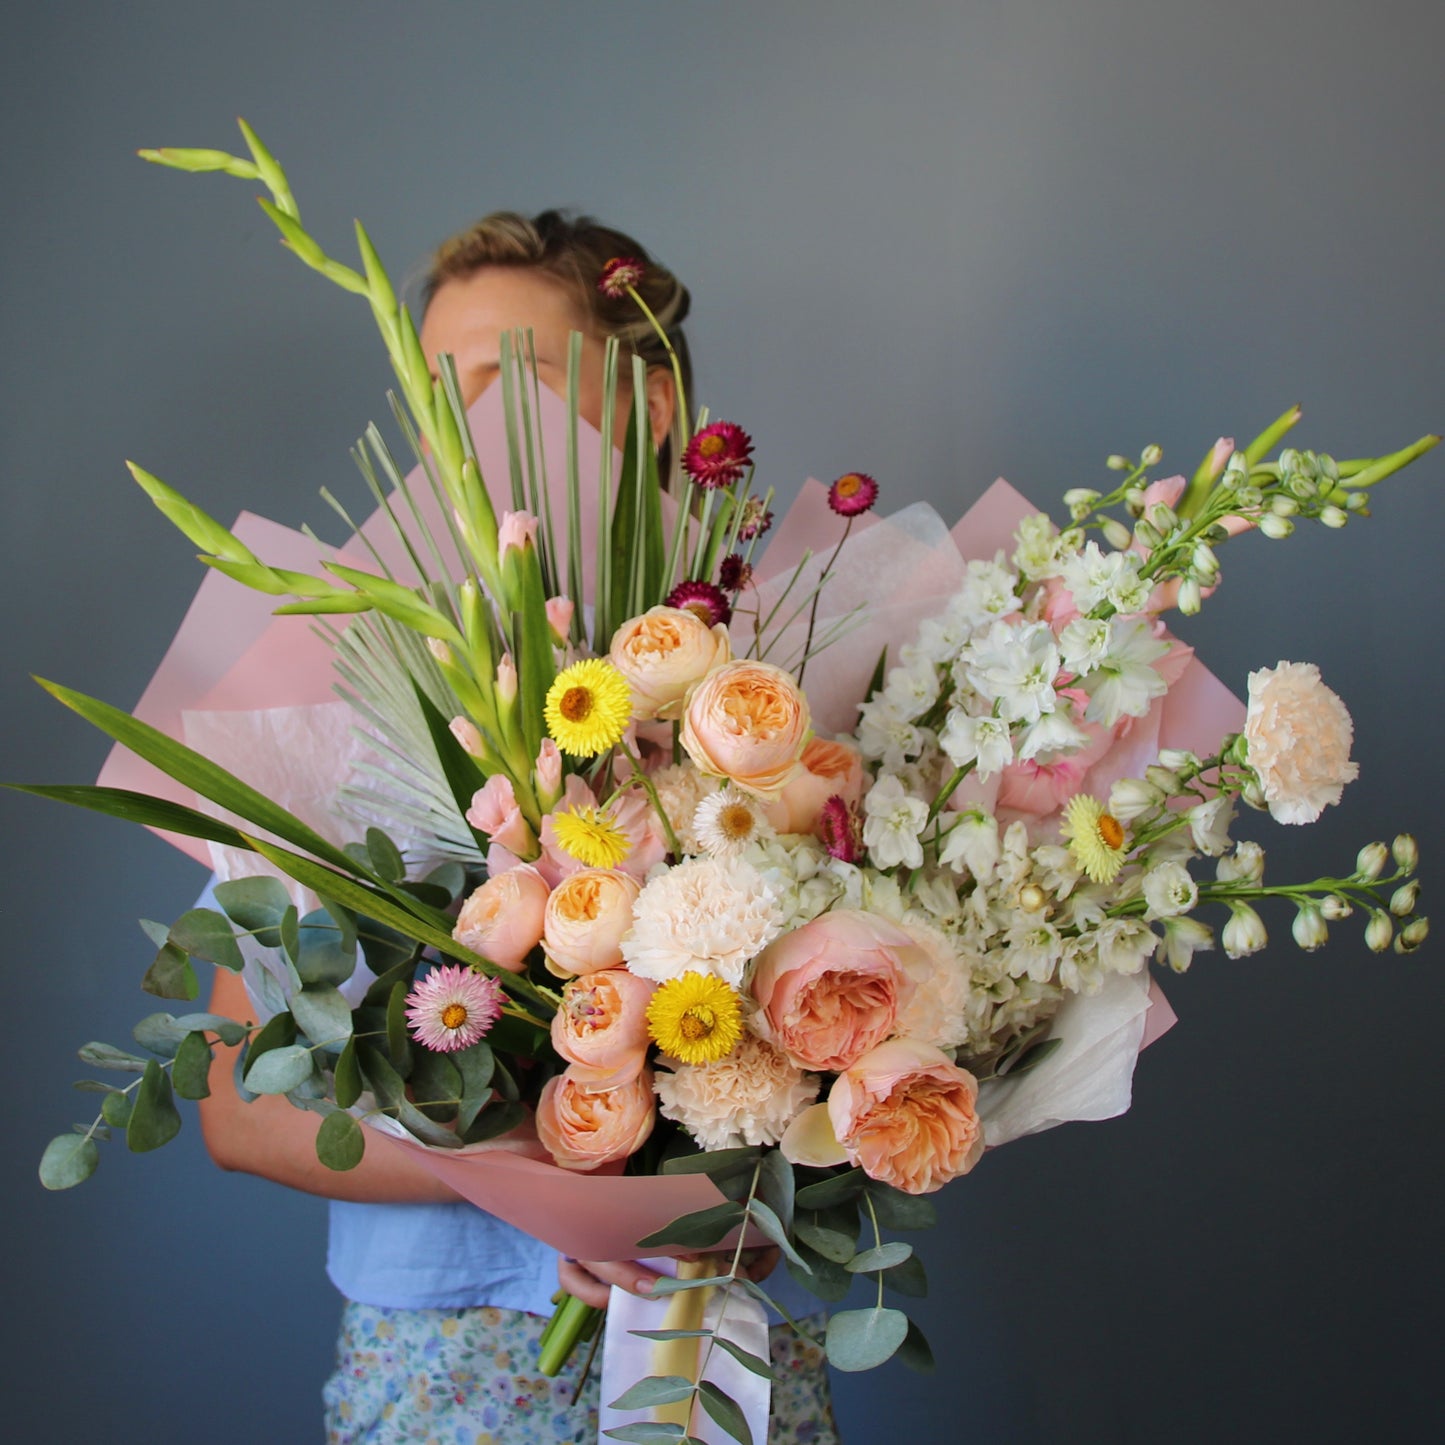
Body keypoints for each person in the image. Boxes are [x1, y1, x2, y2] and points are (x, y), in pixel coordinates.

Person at [197, 209, 839, 1445]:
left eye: (513, 381)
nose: (468, 426)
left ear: (649, 404)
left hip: (719, 1340)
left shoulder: (782, 677)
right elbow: (237, 1104)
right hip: (441, 1369)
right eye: (438, 392)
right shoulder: (331, 685)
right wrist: (561, 1191)